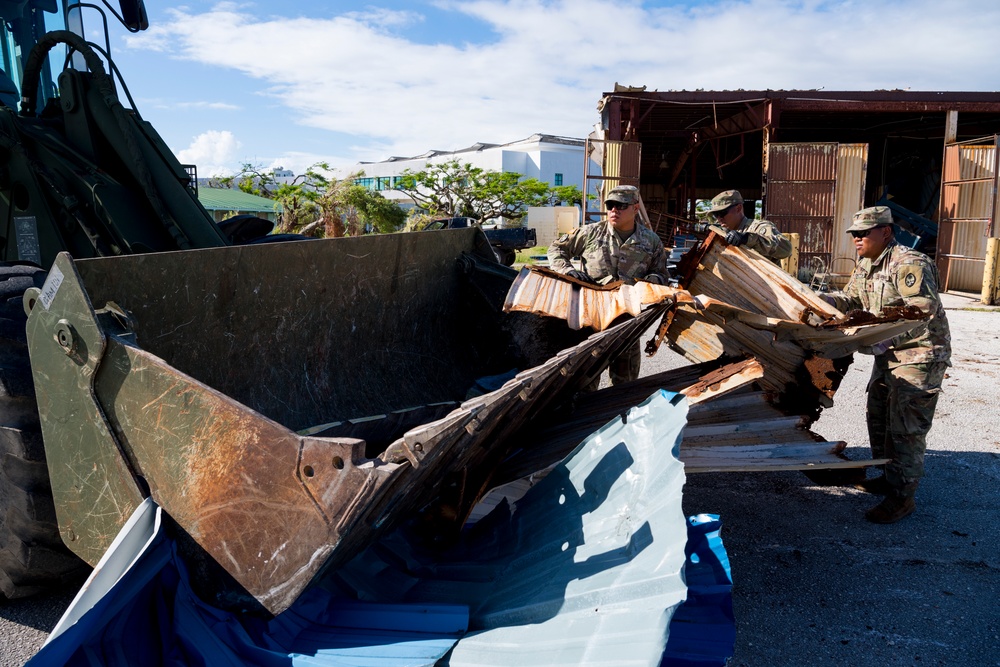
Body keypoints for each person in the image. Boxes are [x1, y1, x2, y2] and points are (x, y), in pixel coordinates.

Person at [820, 206, 951, 524]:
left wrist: (879, 319)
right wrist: (823, 301)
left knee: (905, 427)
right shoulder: (865, 264)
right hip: (889, 353)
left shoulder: (909, 262)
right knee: (878, 416)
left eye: (864, 233)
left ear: (886, 232)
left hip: (919, 353)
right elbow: (851, 298)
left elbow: (923, 305)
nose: (857, 239)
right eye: (854, 234)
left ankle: (902, 497)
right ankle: (890, 477)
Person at [547, 184, 668, 386]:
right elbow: (556, 249)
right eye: (610, 205)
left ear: (635, 208)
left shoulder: (651, 241)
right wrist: (567, 271)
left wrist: (647, 285)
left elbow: (662, 274)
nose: (614, 209)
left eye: (621, 205)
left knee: (625, 384)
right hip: (591, 319)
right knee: (584, 381)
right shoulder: (590, 233)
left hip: (627, 321)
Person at [705, 190, 792, 263]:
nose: (719, 218)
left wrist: (747, 239)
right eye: (716, 215)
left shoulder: (759, 228)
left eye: (722, 213)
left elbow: (786, 250)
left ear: (738, 208)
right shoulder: (722, 234)